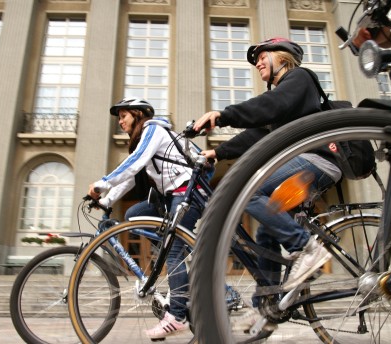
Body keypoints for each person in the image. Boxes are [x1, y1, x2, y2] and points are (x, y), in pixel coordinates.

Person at [194, 37, 342, 295]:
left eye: (263, 57)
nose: (258, 64)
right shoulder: (282, 100)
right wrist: (217, 152)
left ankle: (307, 248)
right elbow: (257, 133)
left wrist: (223, 115)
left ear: (282, 57)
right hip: (302, 165)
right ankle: (269, 301)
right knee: (267, 232)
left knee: (247, 190)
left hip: (316, 160)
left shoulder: (299, 78)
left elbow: (270, 107)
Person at [88, 98, 202, 340]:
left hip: (186, 192)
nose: (120, 122)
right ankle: (178, 272)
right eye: (119, 118)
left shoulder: (153, 128)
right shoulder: (144, 137)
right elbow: (131, 177)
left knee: (173, 251)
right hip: (170, 196)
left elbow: (134, 162)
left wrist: (101, 184)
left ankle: (177, 317)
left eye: (123, 116)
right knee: (134, 215)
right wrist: (106, 201)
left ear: (138, 114)